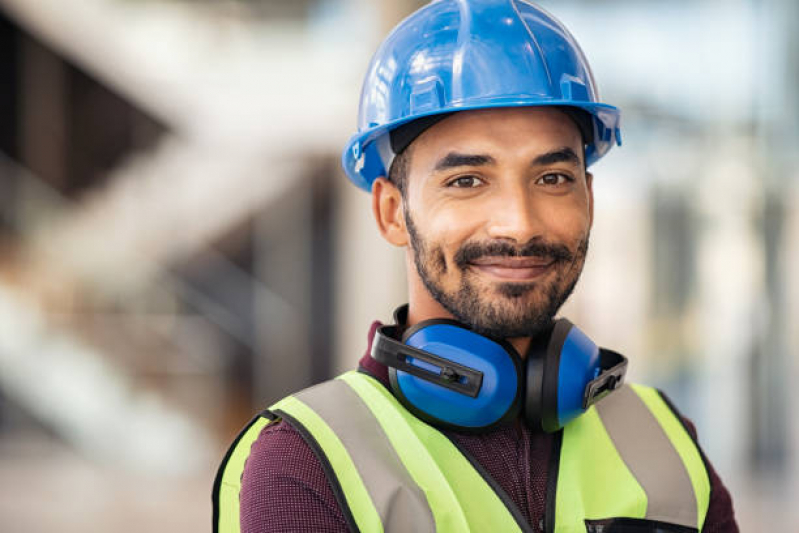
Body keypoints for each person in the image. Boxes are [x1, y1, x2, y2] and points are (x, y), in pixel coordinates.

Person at [213, 0, 738, 531]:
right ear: (392, 212)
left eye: (552, 178)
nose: (519, 224)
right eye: (466, 180)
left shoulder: (666, 443)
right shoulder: (306, 465)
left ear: (590, 200)